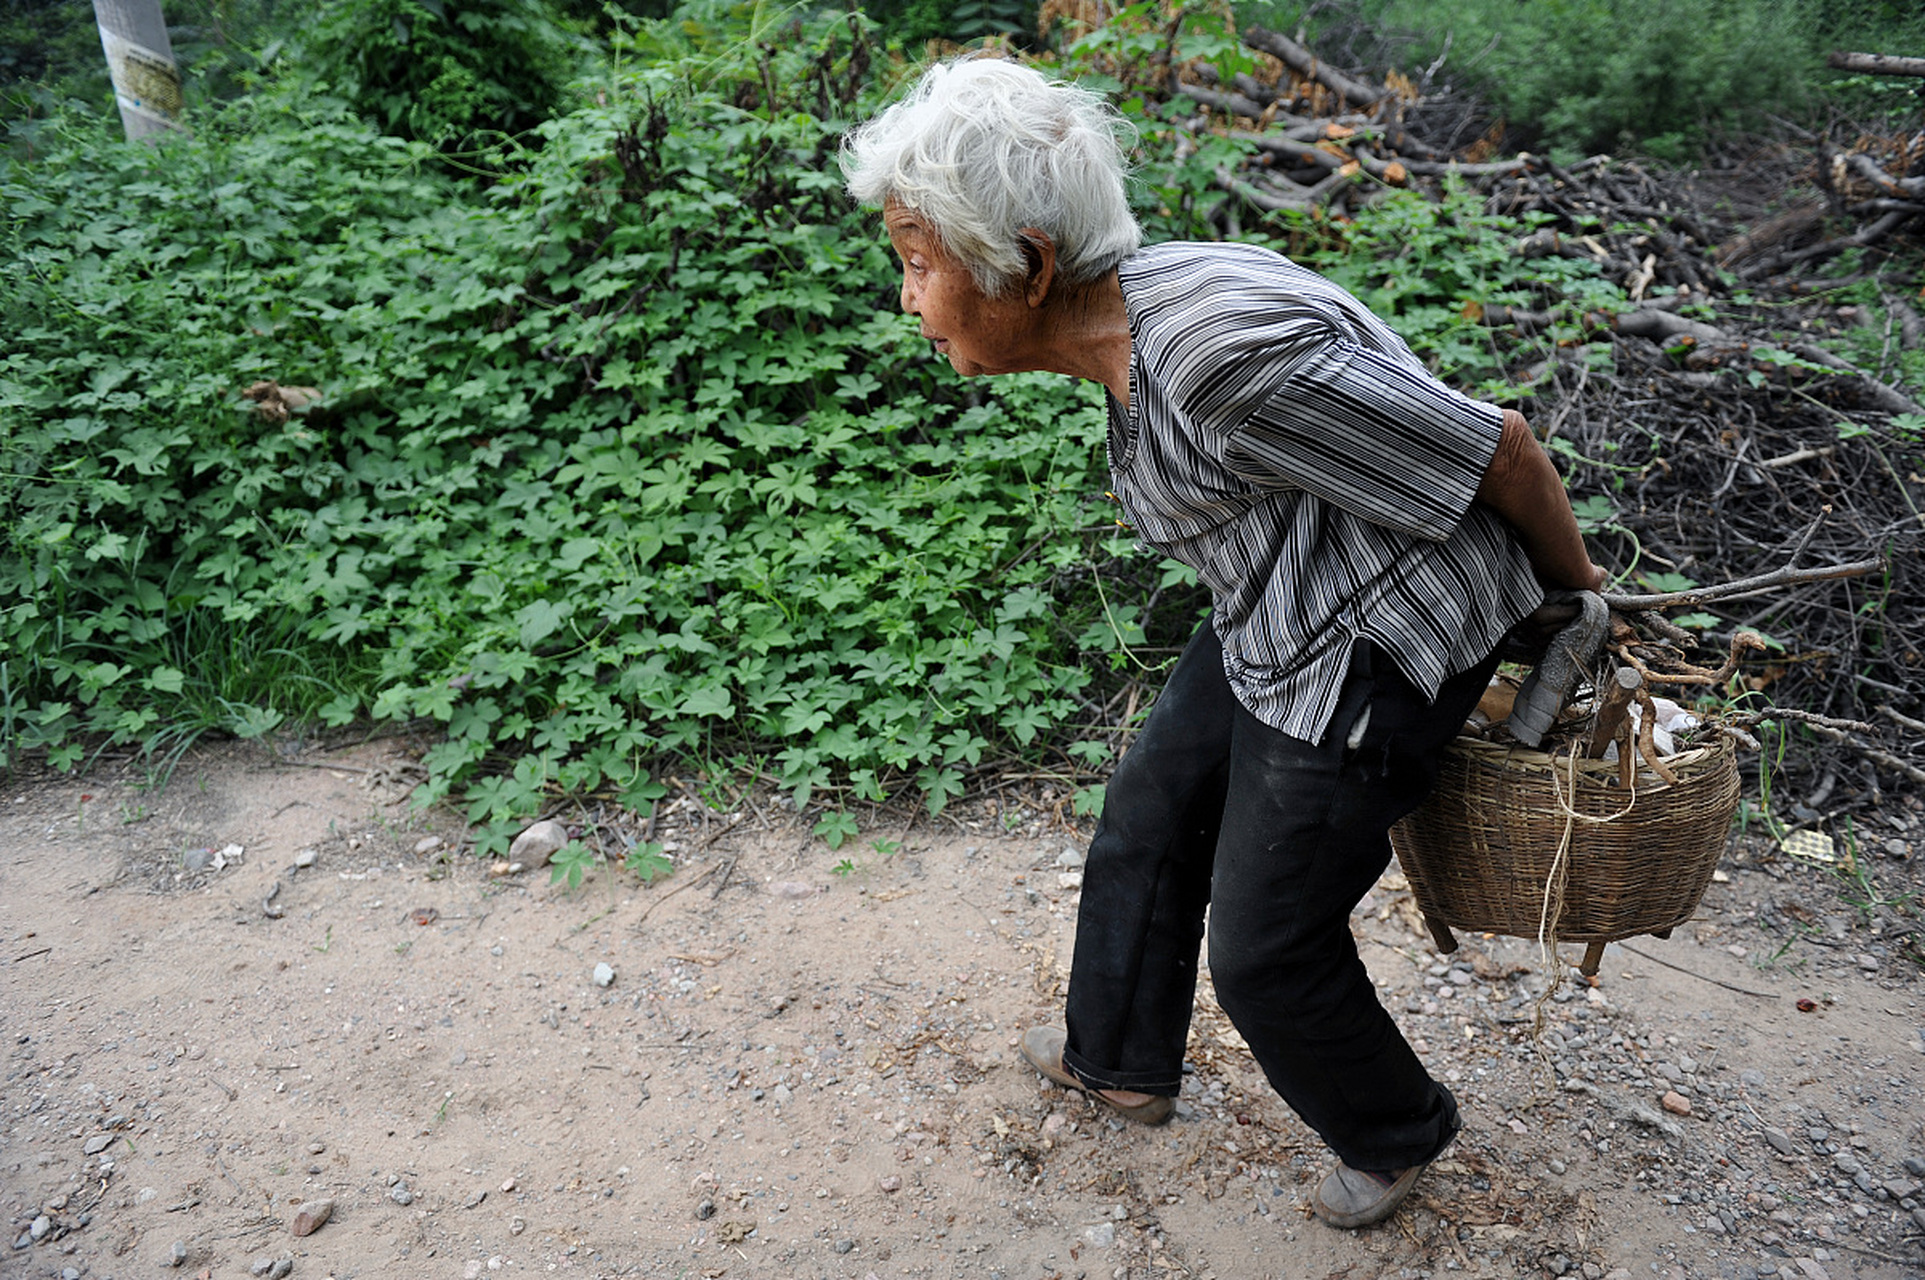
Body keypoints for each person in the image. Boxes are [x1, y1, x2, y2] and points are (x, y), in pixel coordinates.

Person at [842, 56, 1605, 1230]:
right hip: (1279, 596)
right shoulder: (1134, 322)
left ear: (1028, 265)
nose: (906, 296)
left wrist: (1580, 603)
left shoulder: (1212, 357)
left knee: (1263, 948)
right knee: (1149, 810)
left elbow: (1494, 449)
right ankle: (1119, 1059)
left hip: (1376, 644)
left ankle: (1391, 1128)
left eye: (916, 260)